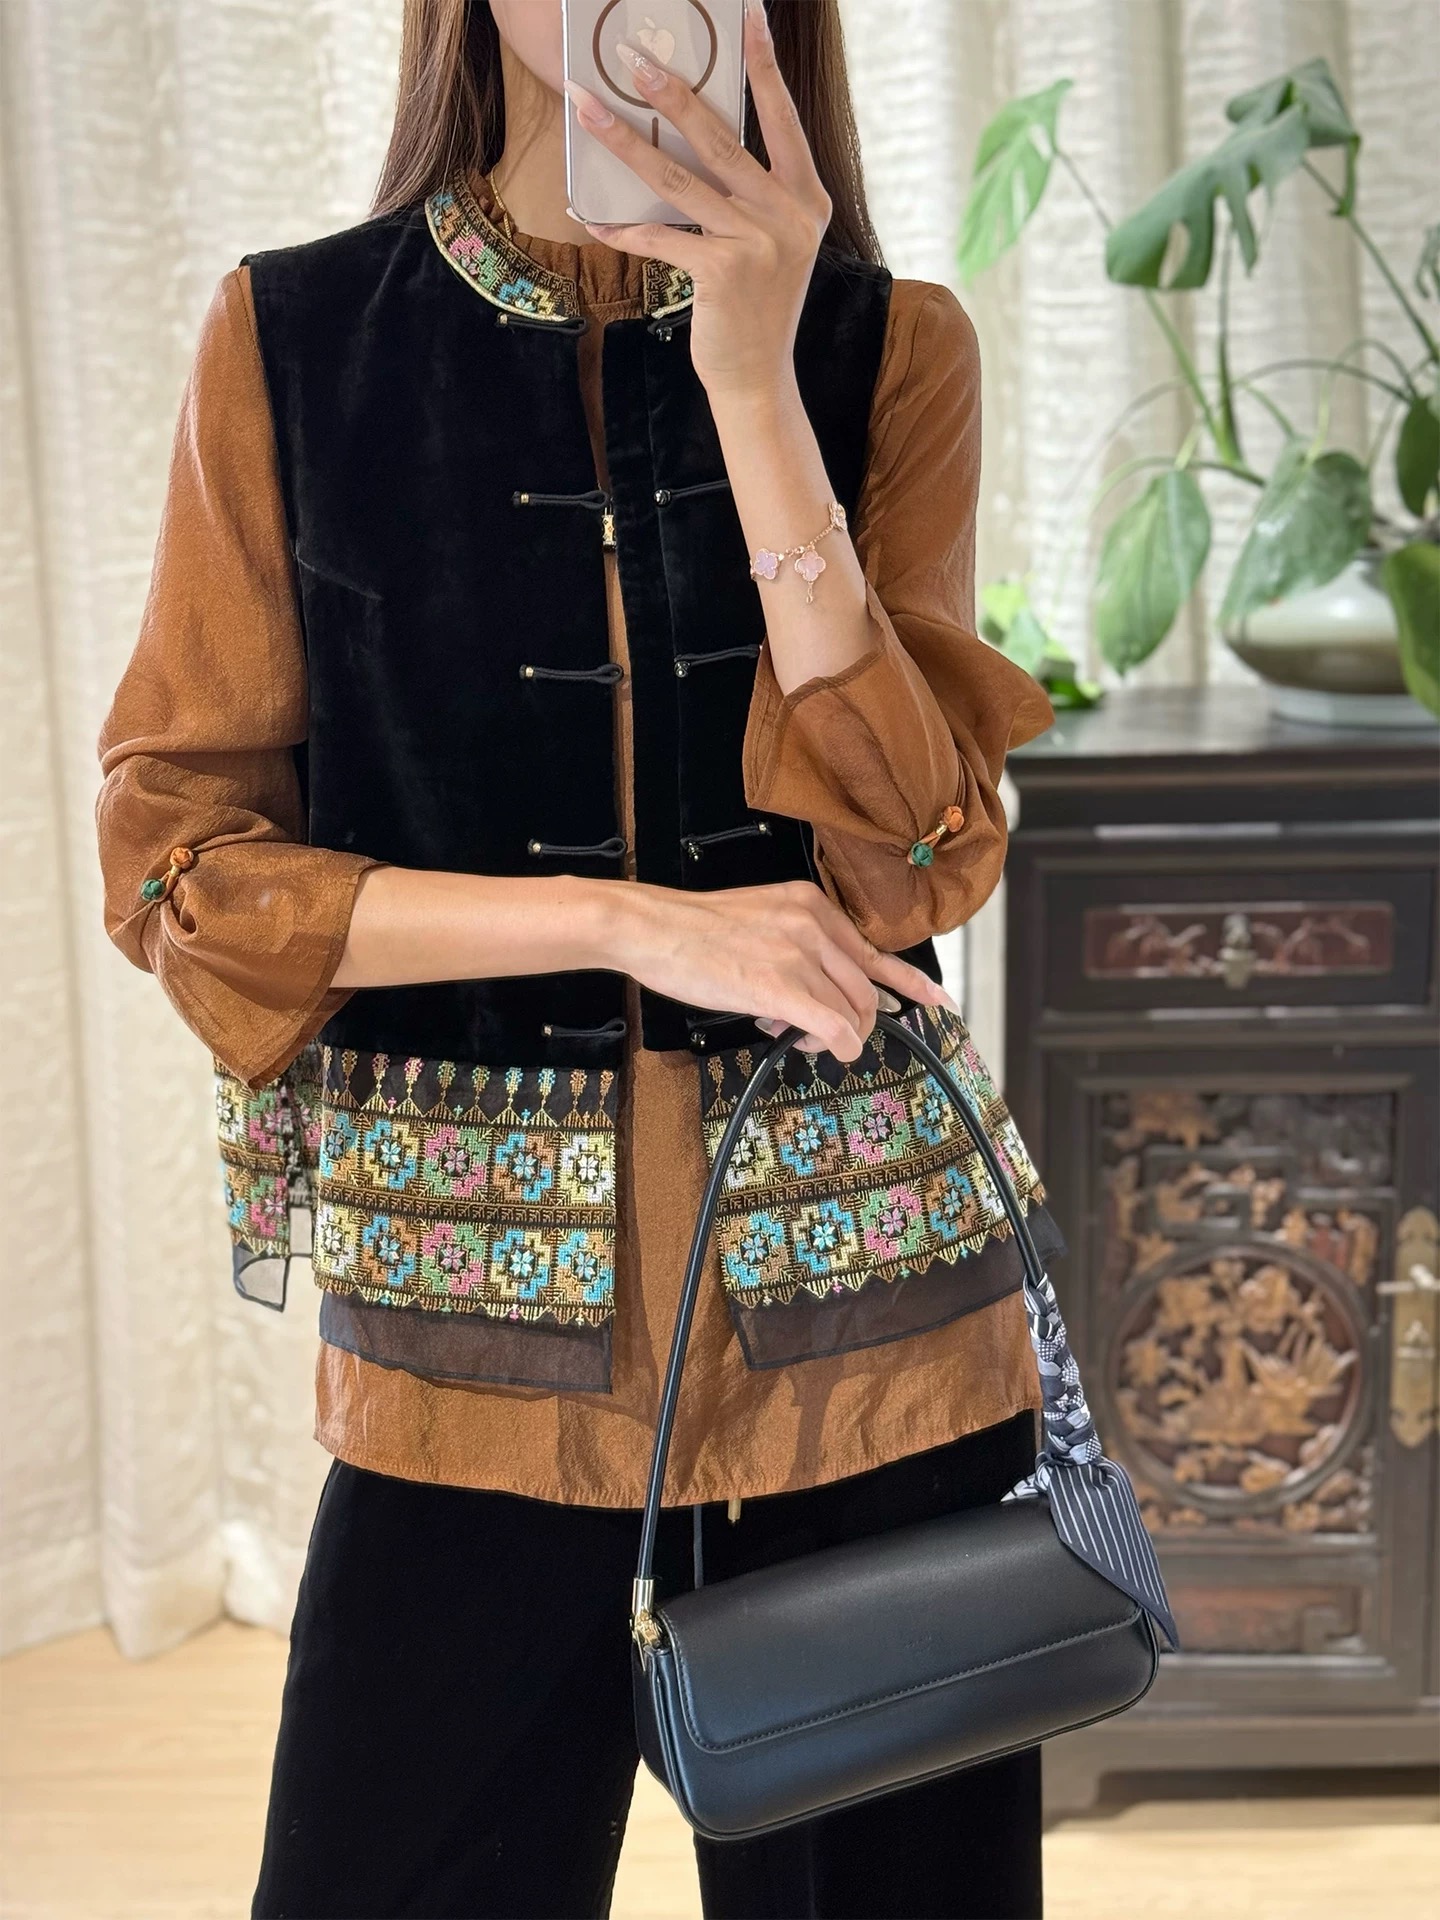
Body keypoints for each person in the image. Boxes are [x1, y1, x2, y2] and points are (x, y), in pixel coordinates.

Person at [96, 1, 1059, 1913]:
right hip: (476, 1349)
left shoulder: (891, 347)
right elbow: (185, 867)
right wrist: (628, 921)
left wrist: (757, 389)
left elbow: (914, 860)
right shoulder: (294, 340)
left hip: (862, 1328)